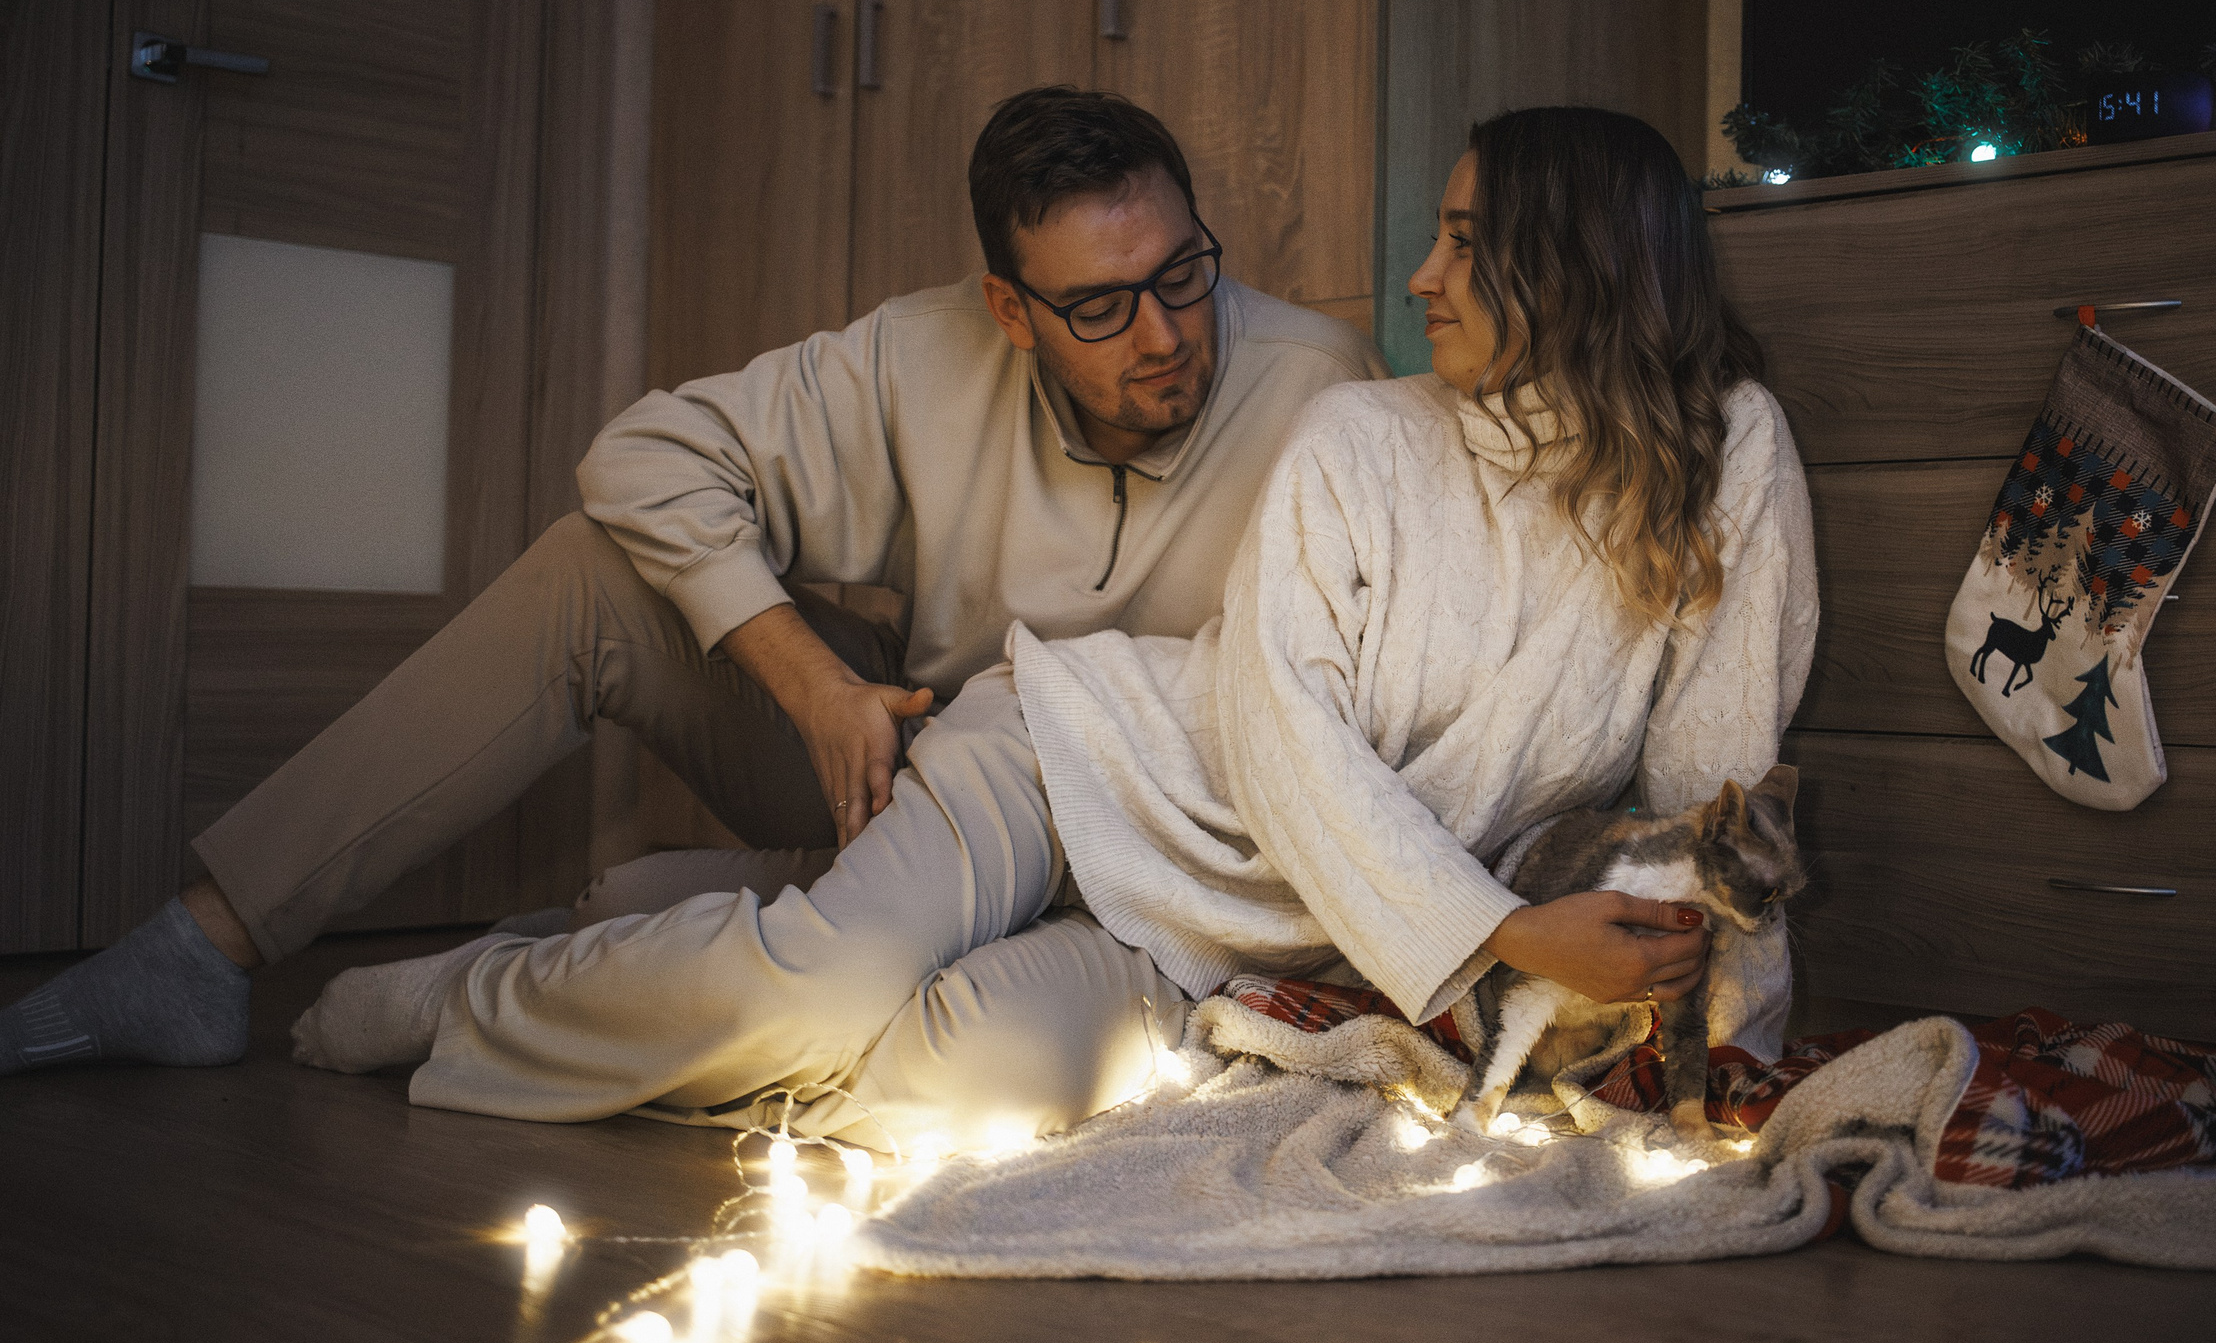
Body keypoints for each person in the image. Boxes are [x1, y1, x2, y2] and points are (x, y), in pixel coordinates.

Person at [258, 105, 1816, 1157]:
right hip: (1073, 754)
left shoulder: (1722, 452)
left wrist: (1727, 1040)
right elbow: (1281, 723)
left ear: (1577, 260)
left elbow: (1714, 802)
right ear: (1018, 309)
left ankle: (694, 932)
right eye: (1443, 235)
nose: (1421, 276)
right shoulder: (1368, 435)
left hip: (1211, 925)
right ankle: (460, 998)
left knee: (952, 1093)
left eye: (1466, 241)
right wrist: (1488, 933)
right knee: (817, 995)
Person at [0, 87, 1385, 1085]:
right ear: (1010, 311)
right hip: (905, 771)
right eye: (1098, 305)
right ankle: (206, 945)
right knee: (598, 573)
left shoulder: (1324, 391)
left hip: (1133, 865)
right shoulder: (922, 355)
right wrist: (816, 686)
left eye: (1183, 274)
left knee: (962, 1045)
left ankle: (659, 930)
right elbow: (644, 458)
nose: (1164, 333)